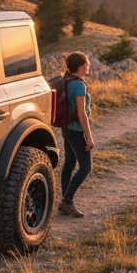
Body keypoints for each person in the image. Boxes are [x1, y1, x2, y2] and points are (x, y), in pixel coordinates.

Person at [58, 52, 93, 217]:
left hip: (67, 128)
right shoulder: (79, 85)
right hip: (76, 129)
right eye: (87, 64)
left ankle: (65, 200)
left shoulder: (67, 80)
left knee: (70, 164)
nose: (88, 66)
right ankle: (67, 201)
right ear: (81, 66)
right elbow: (81, 113)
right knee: (86, 167)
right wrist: (89, 137)